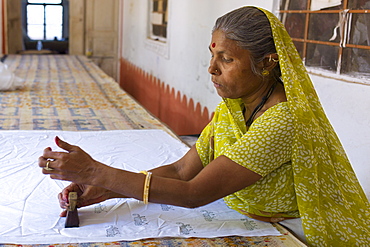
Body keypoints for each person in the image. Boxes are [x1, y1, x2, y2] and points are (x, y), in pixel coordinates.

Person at [39, 6, 369, 246]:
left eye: (226, 59)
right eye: (213, 56)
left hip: (290, 231)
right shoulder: (236, 107)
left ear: (267, 63)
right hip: (244, 215)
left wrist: (96, 172)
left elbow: (194, 193)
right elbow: (183, 171)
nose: (212, 69)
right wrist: (102, 191)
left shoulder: (282, 119)